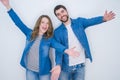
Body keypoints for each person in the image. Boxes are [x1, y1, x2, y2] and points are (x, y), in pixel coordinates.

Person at [0, 1, 80, 80]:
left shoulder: (49, 39)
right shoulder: (29, 33)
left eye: (47, 23)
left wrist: (66, 50)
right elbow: (18, 22)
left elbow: (57, 45)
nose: (45, 25)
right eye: (43, 22)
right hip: (30, 71)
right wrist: (8, 6)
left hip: (44, 73)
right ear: (39, 23)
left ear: (49, 26)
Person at [51, 5, 115, 80]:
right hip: (65, 68)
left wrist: (103, 19)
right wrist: (58, 64)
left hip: (80, 67)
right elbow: (58, 50)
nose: (61, 15)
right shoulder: (57, 32)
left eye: (62, 11)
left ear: (66, 11)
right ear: (57, 17)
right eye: (58, 14)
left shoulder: (79, 22)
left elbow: (90, 21)